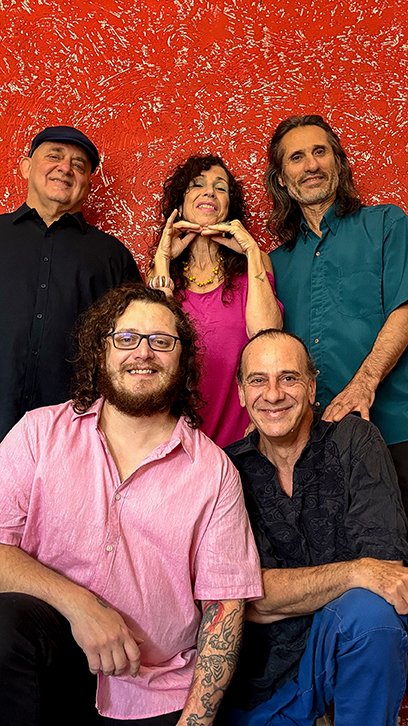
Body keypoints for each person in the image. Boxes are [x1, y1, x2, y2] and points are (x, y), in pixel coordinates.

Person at [0, 283, 262, 725]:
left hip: (154, 689)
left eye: (161, 341)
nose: (143, 352)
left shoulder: (214, 472)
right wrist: (81, 606)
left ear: (182, 360)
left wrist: (194, 722)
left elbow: (225, 608)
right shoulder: (38, 433)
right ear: (101, 350)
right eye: (126, 338)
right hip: (46, 670)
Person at [217, 328, 408, 725]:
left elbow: (386, 573)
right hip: (265, 675)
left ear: (310, 387)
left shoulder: (354, 440)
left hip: (347, 640)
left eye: (288, 378)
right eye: (258, 380)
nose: (273, 394)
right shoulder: (225, 469)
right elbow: (244, 596)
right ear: (241, 393)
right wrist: (355, 571)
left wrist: (295, 590)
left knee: (372, 614)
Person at [266, 114, 408, 509]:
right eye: (296, 157)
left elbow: (405, 308)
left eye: (320, 152)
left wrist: (364, 384)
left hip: (396, 430)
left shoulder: (387, 224)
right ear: (282, 179)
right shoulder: (275, 264)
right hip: (317, 448)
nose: (311, 165)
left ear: (338, 163)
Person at [0, 124, 141, 441]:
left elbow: (130, 345)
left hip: (73, 436)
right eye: (54, 156)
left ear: (87, 183)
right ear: (26, 167)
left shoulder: (113, 256)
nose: (65, 168)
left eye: (79, 165)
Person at [148, 153, 283, 448]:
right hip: (178, 438)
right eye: (197, 185)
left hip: (243, 438)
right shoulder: (160, 274)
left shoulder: (255, 263)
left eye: (220, 188)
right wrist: (162, 259)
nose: (209, 192)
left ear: (228, 207)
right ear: (181, 203)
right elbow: (156, 347)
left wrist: (251, 252)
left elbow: (267, 336)